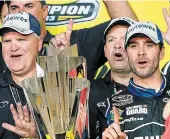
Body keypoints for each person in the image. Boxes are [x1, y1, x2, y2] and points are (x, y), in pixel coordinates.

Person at [3, 0, 138, 80]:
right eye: (14, 8)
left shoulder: (74, 42)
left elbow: (131, 28)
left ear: (44, 11)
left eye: (29, 6)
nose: (21, 12)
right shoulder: (4, 51)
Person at [0, 12, 45, 139]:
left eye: (21, 39)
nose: (13, 46)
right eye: (7, 40)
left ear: (39, 43)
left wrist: (38, 135)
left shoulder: (61, 86)